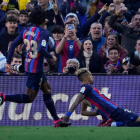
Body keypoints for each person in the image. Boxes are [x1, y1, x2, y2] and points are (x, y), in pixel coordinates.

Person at [0, 6, 71, 127]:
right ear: (43, 19)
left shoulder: (26, 31)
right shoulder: (43, 32)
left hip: (30, 65)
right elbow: (41, 49)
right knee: (29, 98)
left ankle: (56, 120)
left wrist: (8, 62)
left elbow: (12, 46)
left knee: (47, 90)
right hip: (36, 69)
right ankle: (3, 96)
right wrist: (51, 57)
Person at [62, 68, 140, 127]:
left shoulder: (86, 95)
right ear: (85, 78)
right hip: (114, 110)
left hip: (109, 113)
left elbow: (83, 112)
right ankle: (111, 124)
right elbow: (76, 101)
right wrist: (67, 115)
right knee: (137, 119)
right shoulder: (86, 87)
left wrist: (98, 112)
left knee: (134, 124)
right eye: (90, 75)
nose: (92, 77)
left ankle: (112, 124)